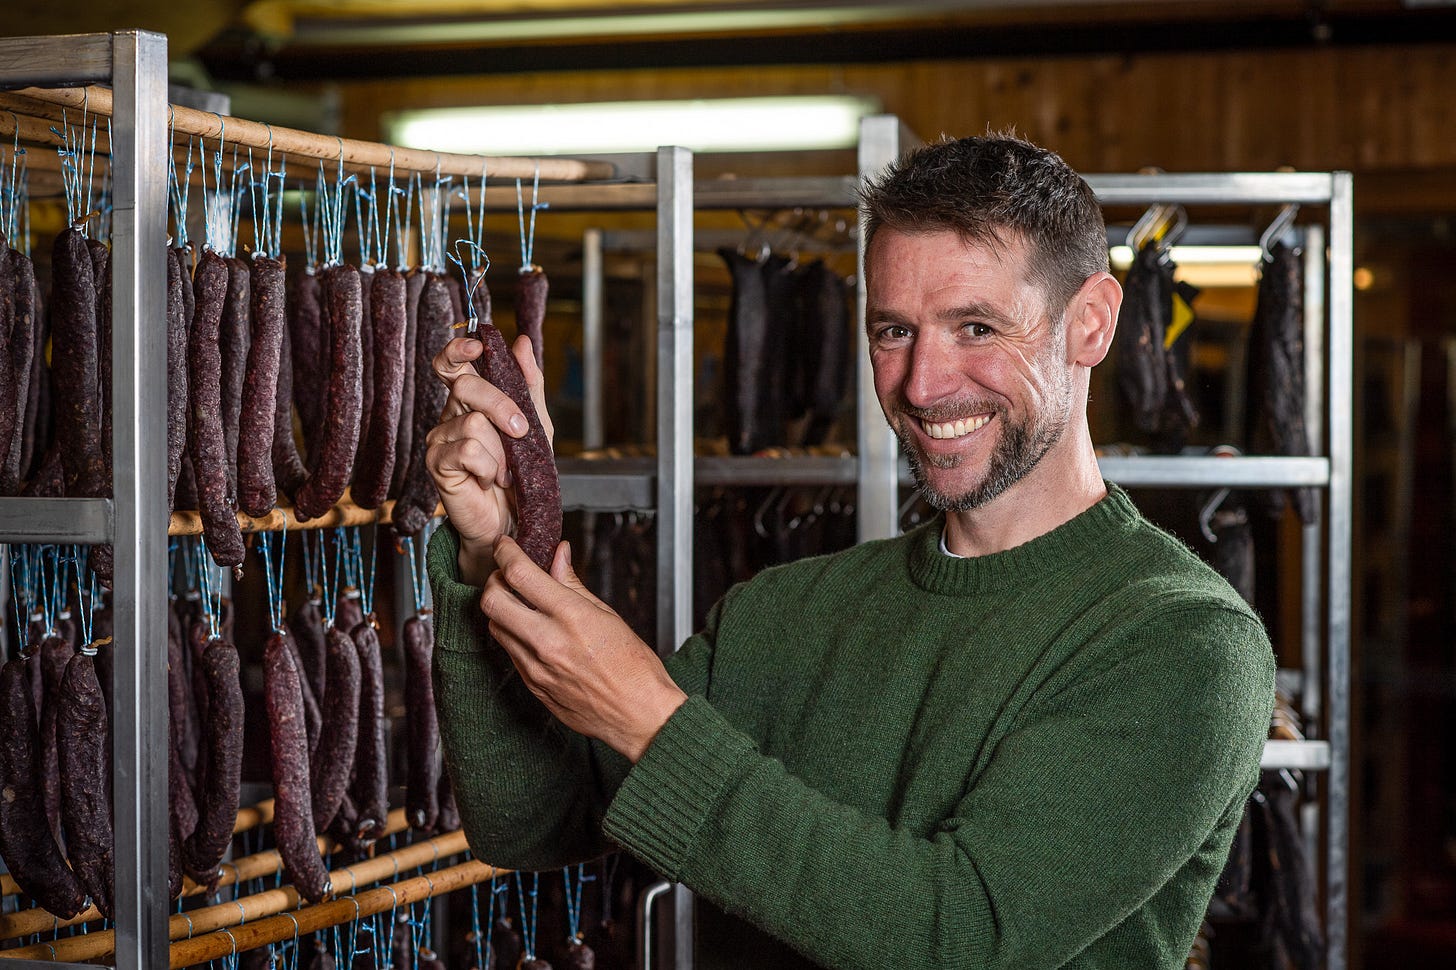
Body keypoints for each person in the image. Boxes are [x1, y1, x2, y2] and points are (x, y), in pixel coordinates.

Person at [423, 132, 1276, 969]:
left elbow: (961, 938)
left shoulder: (1183, 643)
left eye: (976, 327)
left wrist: (652, 719)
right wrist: (490, 547)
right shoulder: (783, 611)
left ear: (1089, 324)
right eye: (893, 331)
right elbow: (527, 821)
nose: (924, 383)